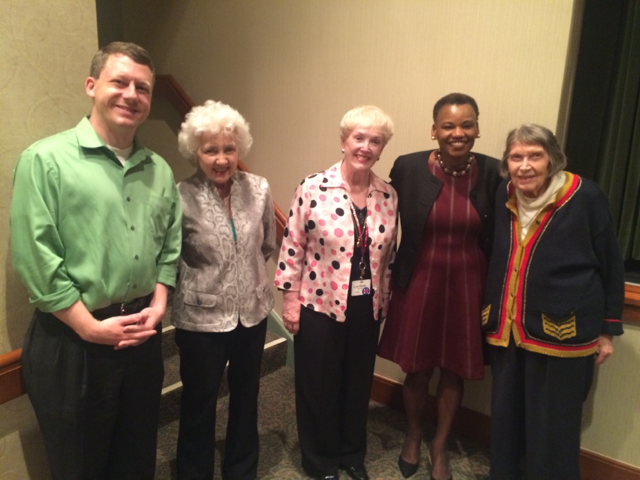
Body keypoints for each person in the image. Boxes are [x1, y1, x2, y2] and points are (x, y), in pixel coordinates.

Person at [10, 42, 182, 479]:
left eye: (142, 87)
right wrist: (88, 326)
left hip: (141, 335)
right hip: (73, 341)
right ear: (92, 86)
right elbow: (36, 254)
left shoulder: (159, 169)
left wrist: (159, 306)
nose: (131, 94)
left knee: (136, 456)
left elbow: (170, 247)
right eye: (119, 82)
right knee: (80, 465)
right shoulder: (45, 160)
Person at [483, 124, 624, 479]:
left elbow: (610, 263)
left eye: (535, 155)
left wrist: (608, 329)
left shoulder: (586, 197)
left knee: (554, 430)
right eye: (517, 157)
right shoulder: (504, 193)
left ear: (553, 160)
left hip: (563, 334)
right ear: (507, 163)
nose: (525, 165)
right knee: (505, 422)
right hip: (509, 331)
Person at [377, 93, 502, 479]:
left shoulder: (496, 172)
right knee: (417, 370)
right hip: (419, 278)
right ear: (435, 130)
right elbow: (384, 218)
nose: (458, 133)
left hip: (468, 283)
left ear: (478, 128)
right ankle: (413, 435)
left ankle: (440, 445)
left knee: (453, 371)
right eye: (448, 125)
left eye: (467, 124)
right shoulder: (409, 167)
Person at [274, 106, 397, 480]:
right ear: (344, 141)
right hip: (318, 304)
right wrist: (291, 302)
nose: (366, 146)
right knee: (318, 386)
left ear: (381, 148)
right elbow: (292, 245)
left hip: (366, 307)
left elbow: (388, 257)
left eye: (375, 141)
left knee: (358, 385)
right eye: (359, 137)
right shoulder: (313, 187)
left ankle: (351, 454)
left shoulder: (388, 195)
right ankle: (321, 460)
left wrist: (385, 300)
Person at [172, 100, 276, 480]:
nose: (221, 159)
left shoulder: (259, 188)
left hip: (252, 313)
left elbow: (266, 244)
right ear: (195, 152)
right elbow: (171, 257)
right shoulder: (179, 196)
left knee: (246, 398)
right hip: (200, 320)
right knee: (199, 403)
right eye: (210, 150)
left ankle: (241, 469)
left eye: (228, 149)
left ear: (239, 150)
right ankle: (193, 472)